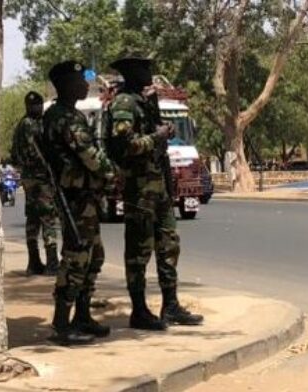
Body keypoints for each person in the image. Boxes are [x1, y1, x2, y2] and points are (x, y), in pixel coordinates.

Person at [106, 57, 204, 330]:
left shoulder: (144, 102)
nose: (150, 73)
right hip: (139, 188)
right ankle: (139, 310)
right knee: (138, 251)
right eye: (144, 69)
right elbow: (123, 146)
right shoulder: (124, 104)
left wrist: (163, 130)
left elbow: (153, 136)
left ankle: (170, 305)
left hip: (158, 186)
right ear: (131, 73)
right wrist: (156, 137)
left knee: (169, 245)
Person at [42, 61, 116, 345]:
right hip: (74, 197)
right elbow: (91, 156)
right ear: (67, 86)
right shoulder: (65, 118)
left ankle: (82, 315)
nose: (86, 85)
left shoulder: (67, 114)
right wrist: (111, 174)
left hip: (84, 196)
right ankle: (62, 323)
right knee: (76, 257)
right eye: (81, 81)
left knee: (93, 256)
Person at [10, 92, 59, 276]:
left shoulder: (21, 124)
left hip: (29, 178)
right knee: (48, 218)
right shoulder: (31, 124)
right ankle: (51, 262)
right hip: (40, 177)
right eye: (35, 105)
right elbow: (35, 150)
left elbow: (15, 153)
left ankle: (34, 261)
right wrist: (47, 168)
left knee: (33, 218)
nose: (37, 108)